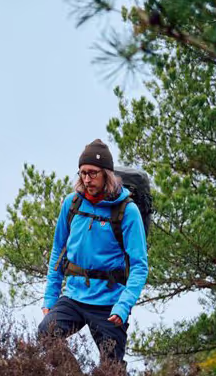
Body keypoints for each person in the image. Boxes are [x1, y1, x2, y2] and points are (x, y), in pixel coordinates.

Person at [38, 139, 148, 364]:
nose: (87, 180)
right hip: (74, 297)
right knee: (46, 333)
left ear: (107, 173)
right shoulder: (72, 204)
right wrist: (50, 297)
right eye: (82, 173)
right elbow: (58, 250)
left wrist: (123, 305)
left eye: (92, 173)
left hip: (110, 303)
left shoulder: (128, 211)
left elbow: (139, 265)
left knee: (112, 368)